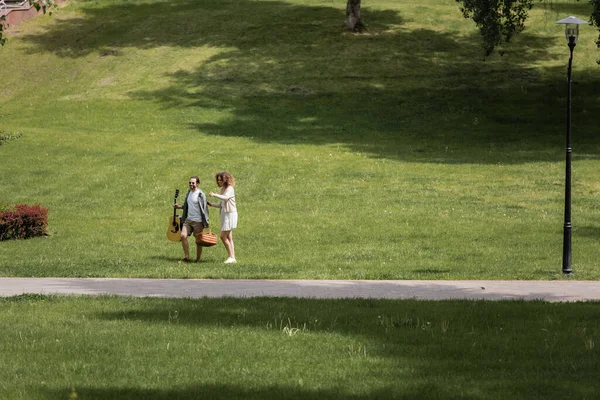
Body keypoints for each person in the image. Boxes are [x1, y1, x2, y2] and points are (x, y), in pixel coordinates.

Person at [174, 176, 209, 262]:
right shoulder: (189, 193)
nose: (191, 184)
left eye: (193, 183)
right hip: (188, 220)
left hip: (198, 221)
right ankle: (187, 257)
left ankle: (197, 259)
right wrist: (179, 207)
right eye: (190, 183)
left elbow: (205, 209)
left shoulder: (201, 195)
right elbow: (187, 206)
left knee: (198, 241)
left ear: (197, 183)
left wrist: (206, 222)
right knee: (182, 235)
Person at [208, 171, 237, 264]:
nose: (219, 182)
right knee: (229, 237)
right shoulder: (222, 190)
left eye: (221, 180)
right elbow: (221, 205)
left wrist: (215, 194)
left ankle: (231, 256)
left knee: (223, 236)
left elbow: (226, 197)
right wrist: (211, 204)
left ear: (225, 180)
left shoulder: (230, 188)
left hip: (230, 214)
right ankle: (233, 258)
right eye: (218, 180)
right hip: (225, 214)